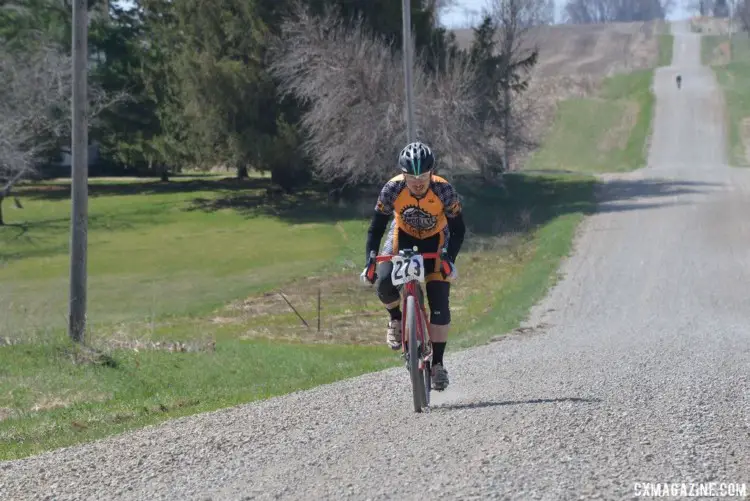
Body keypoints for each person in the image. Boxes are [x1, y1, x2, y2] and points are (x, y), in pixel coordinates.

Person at [360, 141, 466, 391]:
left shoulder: (444, 191)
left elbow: (458, 229)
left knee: (439, 302)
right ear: (403, 174)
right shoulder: (392, 189)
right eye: (411, 177)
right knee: (384, 282)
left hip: (436, 240)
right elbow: (376, 228)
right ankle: (396, 319)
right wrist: (371, 260)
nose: (417, 182)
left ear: (432, 172)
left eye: (423, 176)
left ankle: (438, 364)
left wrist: (449, 258)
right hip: (402, 237)